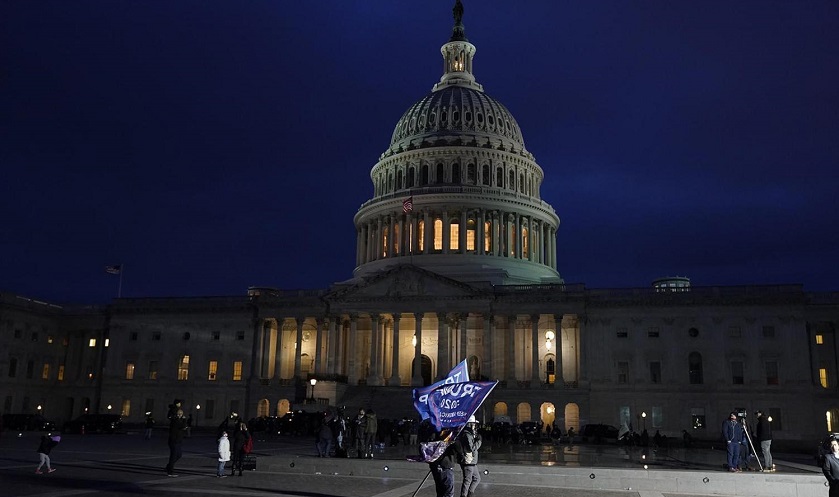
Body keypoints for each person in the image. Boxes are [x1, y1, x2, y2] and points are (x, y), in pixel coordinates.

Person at [456, 416, 482, 497]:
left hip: (471, 460)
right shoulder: (467, 434)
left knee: (477, 478)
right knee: (467, 481)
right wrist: (479, 441)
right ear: (470, 424)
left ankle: (470, 493)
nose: (475, 426)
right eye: (473, 424)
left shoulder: (469, 433)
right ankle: (464, 495)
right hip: (468, 460)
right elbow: (471, 448)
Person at [165, 408, 188, 476]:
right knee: (173, 455)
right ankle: (170, 471)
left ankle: (169, 466)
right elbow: (183, 426)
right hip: (174, 441)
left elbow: (185, 427)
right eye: (179, 414)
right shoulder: (175, 421)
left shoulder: (179, 420)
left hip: (178, 441)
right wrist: (184, 419)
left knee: (179, 455)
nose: (180, 415)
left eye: (181, 414)